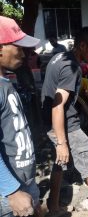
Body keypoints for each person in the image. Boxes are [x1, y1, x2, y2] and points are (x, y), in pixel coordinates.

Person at [41, 27, 88, 217]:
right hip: (66, 125)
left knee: (59, 163)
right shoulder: (72, 68)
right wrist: (62, 142)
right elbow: (58, 104)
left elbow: (65, 95)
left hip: (51, 122)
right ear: (82, 45)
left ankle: (53, 207)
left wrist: (86, 112)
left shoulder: (59, 57)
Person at [0, 16, 41, 217]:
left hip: (23, 178)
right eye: (19, 47)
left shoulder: (6, 82)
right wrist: (12, 191)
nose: (25, 54)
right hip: (7, 193)